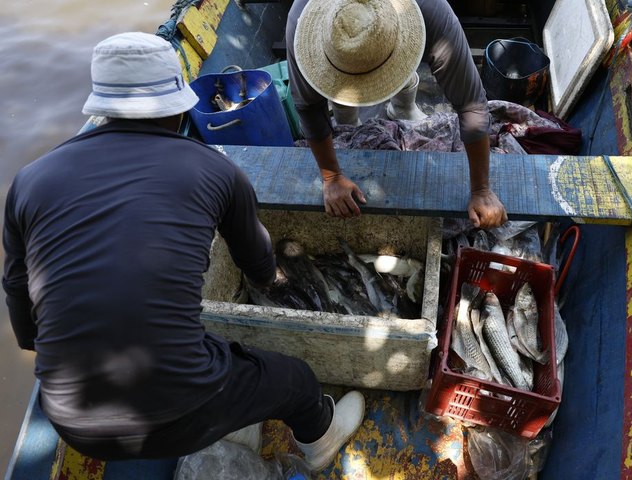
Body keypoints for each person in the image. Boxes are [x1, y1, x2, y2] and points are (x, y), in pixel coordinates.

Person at [2, 31, 363, 471]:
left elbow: (25, 323)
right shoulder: (216, 169)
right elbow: (261, 269)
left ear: (99, 106)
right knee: (298, 380)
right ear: (178, 107)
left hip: (69, 420)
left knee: (209, 347)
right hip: (179, 411)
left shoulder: (29, 180)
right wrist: (274, 275)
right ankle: (320, 441)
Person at [287, 0, 509, 228]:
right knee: (343, 111)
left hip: (406, 31)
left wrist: (481, 189)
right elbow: (308, 107)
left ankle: (402, 107)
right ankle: (346, 114)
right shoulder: (301, 24)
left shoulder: (431, 11)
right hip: (337, 64)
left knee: (393, 70)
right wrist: (331, 177)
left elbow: (470, 104)